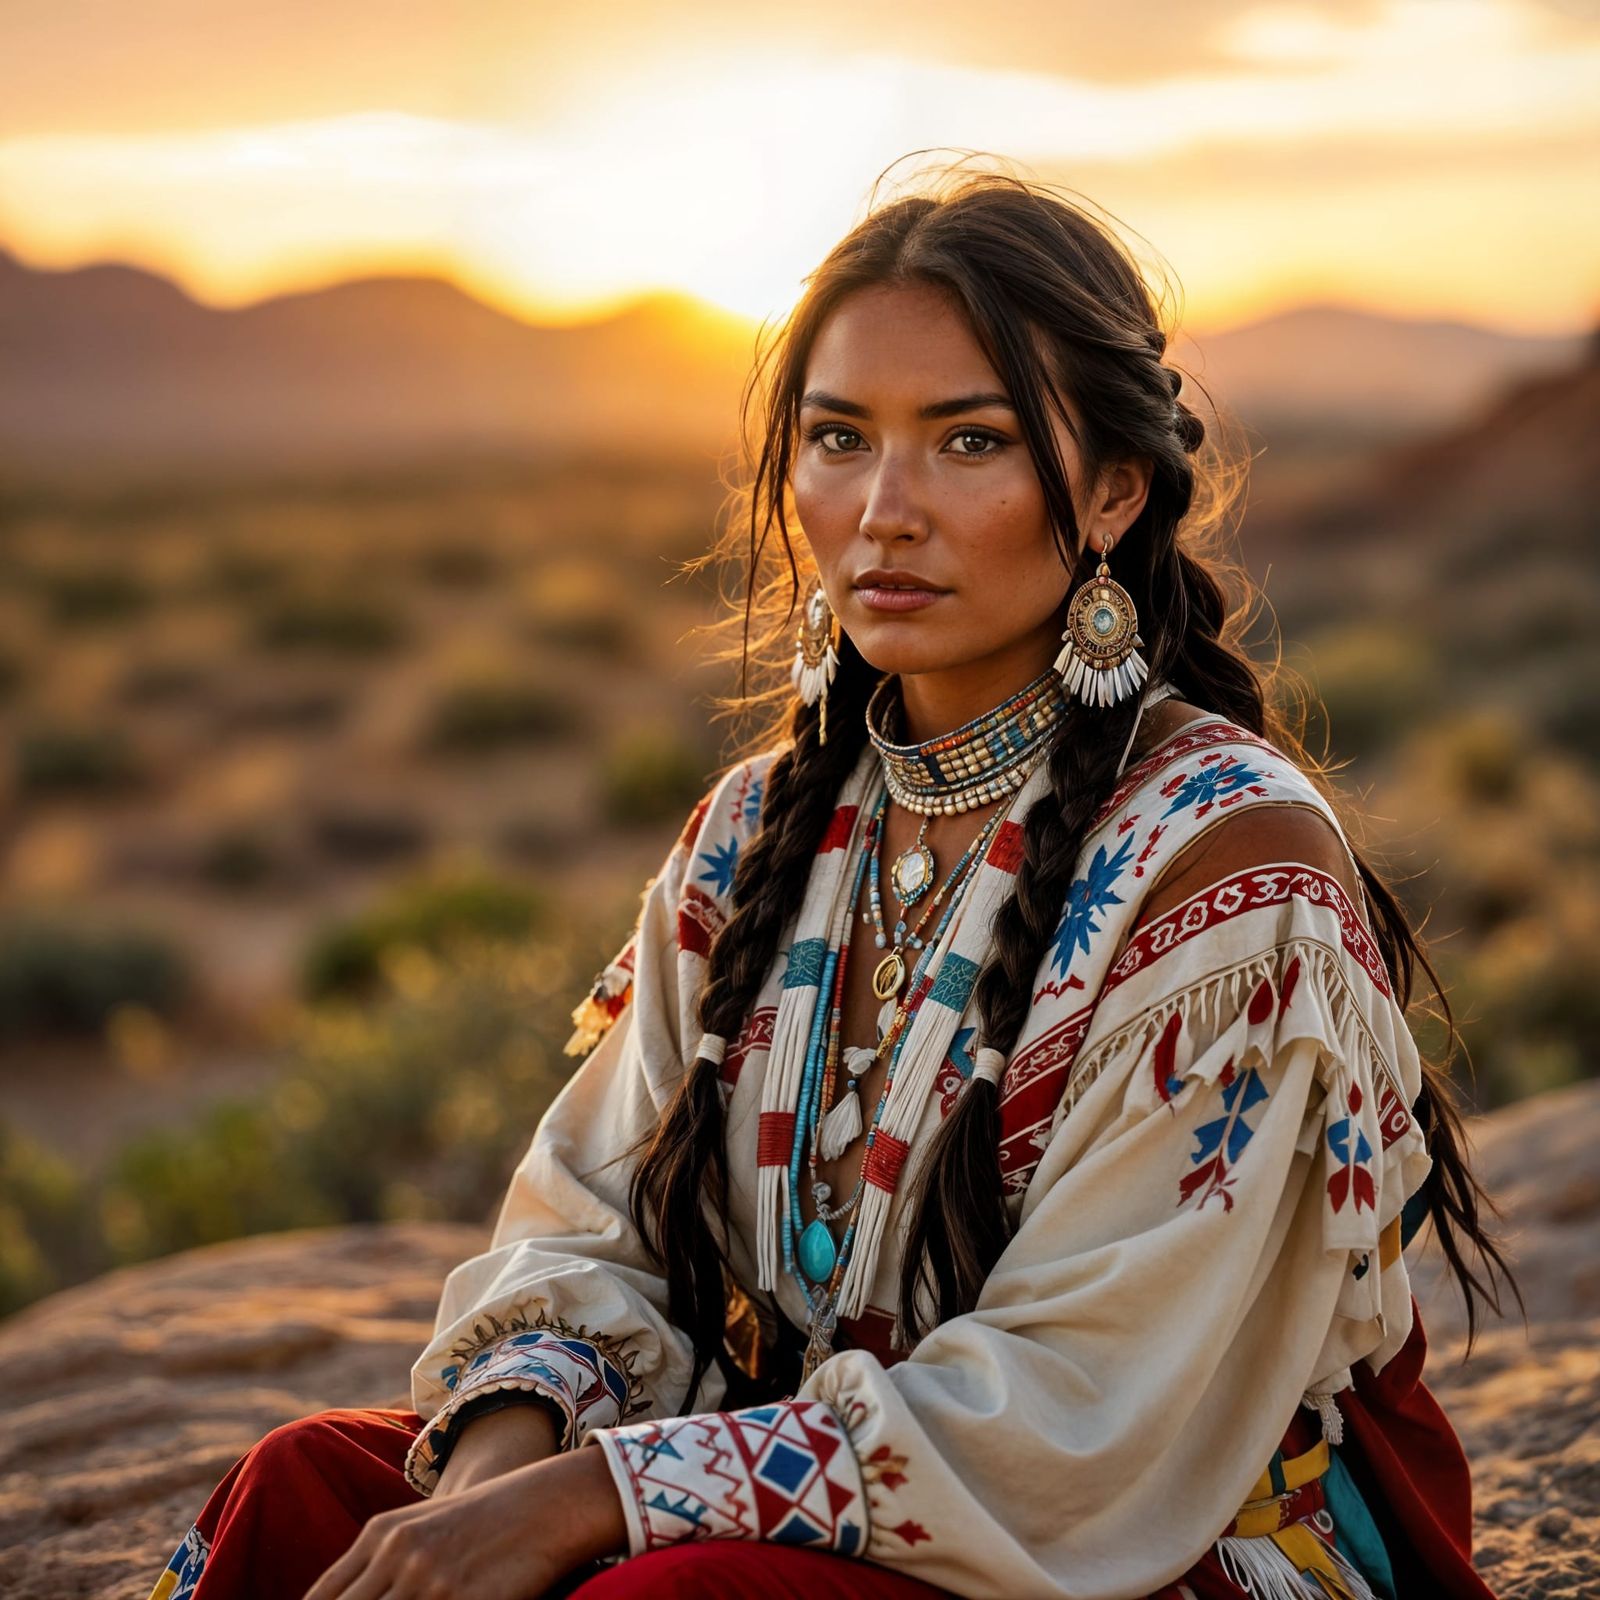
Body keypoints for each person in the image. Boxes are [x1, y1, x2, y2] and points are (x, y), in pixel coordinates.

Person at [148, 161, 1513, 1600]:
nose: (885, 510)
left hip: (1140, 1547)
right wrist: (500, 1478)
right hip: (820, 1502)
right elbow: (590, 1219)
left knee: (663, 1597)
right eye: (841, 439)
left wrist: (600, 1503)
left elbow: (1083, 1417)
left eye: (969, 444)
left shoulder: (1228, 866)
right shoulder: (757, 830)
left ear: (1114, 489)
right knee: (308, 1491)